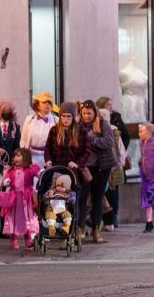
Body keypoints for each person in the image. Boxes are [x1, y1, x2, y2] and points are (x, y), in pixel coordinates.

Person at [44, 101, 89, 241]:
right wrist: (48, 160)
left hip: (72, 171)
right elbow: (48, 149)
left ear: (73, 116)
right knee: (55, 199)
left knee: (72, 200)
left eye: (69, 116)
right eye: (63, 116)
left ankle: (74, 228)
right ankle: (56, 227)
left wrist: (77, 163)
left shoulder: (81, 130)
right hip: (57, 169)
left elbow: (87, 151)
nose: (65, 119)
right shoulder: (54, 130)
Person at [78, 100, 115, 244]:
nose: (87, 116)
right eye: (84, 113)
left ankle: (96, 232)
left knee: (97, 199)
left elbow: (108, 142)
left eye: (89, 113)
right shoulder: (79, 126)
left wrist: (92, 139)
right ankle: (80, 229)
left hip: (101, 167)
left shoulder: (103, 124)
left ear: (95, 113)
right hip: (85, 167)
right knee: (82, 198)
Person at [0, 100, 21, 239]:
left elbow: (18, 147)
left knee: (7, 197)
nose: (6, 112)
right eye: (4, 110)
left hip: (10, 167)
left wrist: (13, 162)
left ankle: (6, 227)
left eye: (9, 110)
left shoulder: (15, 128)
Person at [0, 148, 39, 250]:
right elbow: (6, 181)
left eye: (18, 156)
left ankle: (28, 239)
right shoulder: (11, 171)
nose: (15, 158)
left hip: (26, 198)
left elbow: (38, 173)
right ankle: (13, 238)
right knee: (14, 218)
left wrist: (39, 172)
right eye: (14, 156)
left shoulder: (29, 169)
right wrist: (6, 180)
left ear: (25, 158)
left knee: (26, 218)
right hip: (14, 199)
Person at [98, 108, 126, 232]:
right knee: (106, 193)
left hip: (112, 167)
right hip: (109, 166)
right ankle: (107, 219)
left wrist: (120, 164)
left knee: (111, 193)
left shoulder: (114, 132)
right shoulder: (100, 130)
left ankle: (111, 219)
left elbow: (120, 150)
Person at [21, 91, 59, 168]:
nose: (47, 104)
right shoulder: (29, 119)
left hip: (49, 158)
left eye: (49, 102)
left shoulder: (56, 120)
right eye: (44, 102)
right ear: (37, 105)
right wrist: (25, 157)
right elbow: (23, 140)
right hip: (31, 158)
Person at [138, 122, 154, 233]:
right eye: (139, 131)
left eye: (142, 131)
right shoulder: (142, 143)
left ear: (149, 132)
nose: (139, 133)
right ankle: (149, 222)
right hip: (145, 175)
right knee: (147, 199)